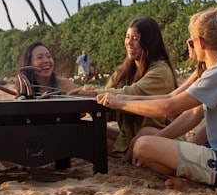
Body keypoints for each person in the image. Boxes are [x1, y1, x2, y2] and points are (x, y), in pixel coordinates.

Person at [96, 7, 217, 189]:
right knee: (149, 138)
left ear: (200, 42)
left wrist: (121, 102)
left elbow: (169, 107)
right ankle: (188, 176)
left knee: (143, 145)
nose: (190, 45)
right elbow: (192, 115)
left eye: (190, 42)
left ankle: (190, 181)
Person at [73, 16, 177, 158]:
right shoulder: (124, 71)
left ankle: (131, 155)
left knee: (143, 135)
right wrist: (90, 97)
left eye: (135, 38)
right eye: (128, 37)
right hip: (129, 137)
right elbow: (107, 108)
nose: (129, 43)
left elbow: (133, 92)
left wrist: (96, 93)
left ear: (149, 42)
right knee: (83, 131)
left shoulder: (160, 72)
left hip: (157, 137)